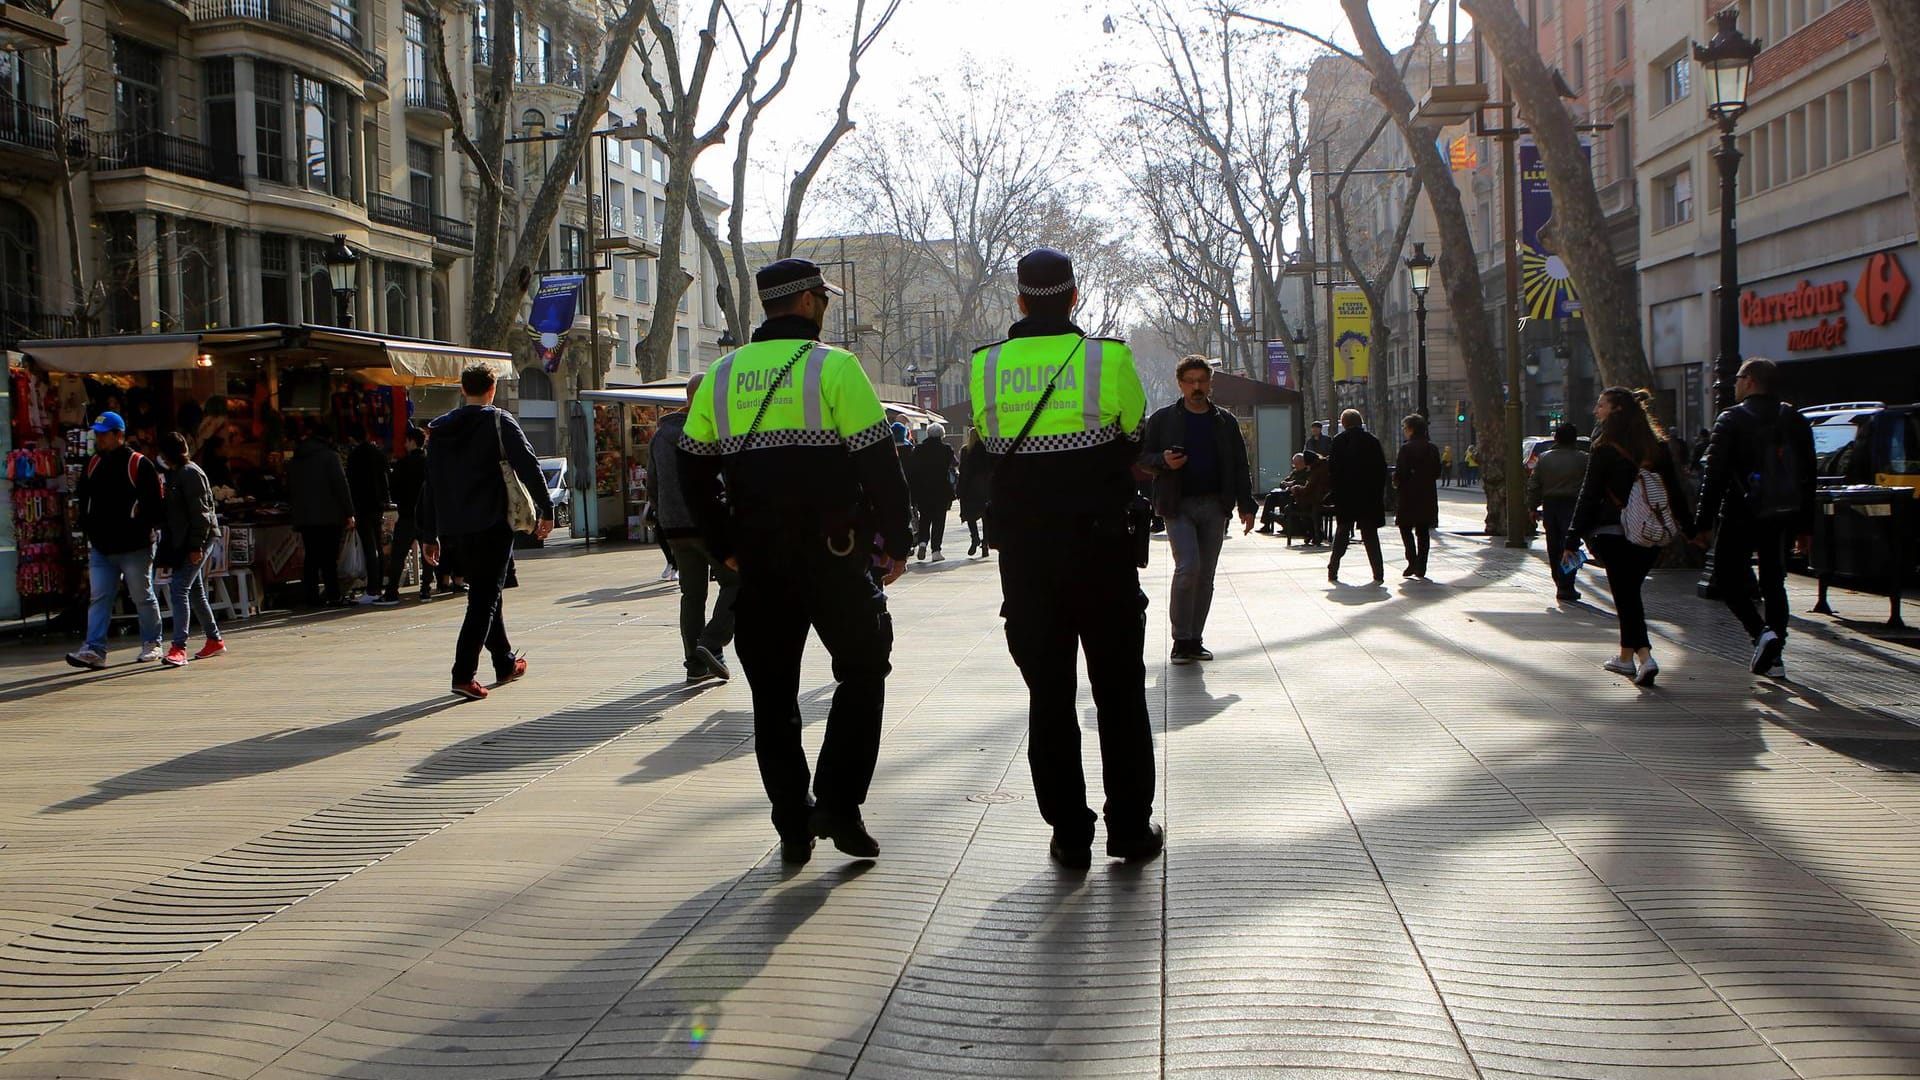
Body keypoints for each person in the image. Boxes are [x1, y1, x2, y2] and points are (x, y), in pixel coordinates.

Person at [679, 258, 912, 865]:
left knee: (773, 698)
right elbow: (878, 461)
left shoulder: (722, 375)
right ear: (809, 302)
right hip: (835, 558)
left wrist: (722, 542)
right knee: (863, 670)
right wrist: (896, 537)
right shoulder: (835, 368)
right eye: (823, 298)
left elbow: (691, 470)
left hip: (758, 563)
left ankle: (792, 825)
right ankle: (838, 802)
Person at [969, 247, 1162, 869]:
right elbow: (1133, 432)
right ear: (1074, 296)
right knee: (1120, 694)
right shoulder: (1109, 358)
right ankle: (1129, 828)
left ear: (1019, 300)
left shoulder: (987, 365)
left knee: (1048, 697)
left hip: (1026, 558)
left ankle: (1069, 833)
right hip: (1102, 550)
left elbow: (987, 437)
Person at [418, 365, 554, 701]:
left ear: (463, 390)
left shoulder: (439, 430)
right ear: (491, 389)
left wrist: (428, 533)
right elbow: (528, 464)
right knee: (482, 600)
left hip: (454, 527)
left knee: (487, 593)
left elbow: (431, 484)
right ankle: (463, 674)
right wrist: (546, 510)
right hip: (491, 522)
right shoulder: (498, 421)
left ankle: (504, 662)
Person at [1693, 357, 1817, 679]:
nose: (1733, 385)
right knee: (1775, 581)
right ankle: (1775, 657)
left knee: (1725, 577)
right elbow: (1808, 477)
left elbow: (1715, 477)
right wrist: (1806, 526)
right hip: (1782, 514)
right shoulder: (1795, 419)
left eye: (1736, 379)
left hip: (1740, 513)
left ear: (1748, 380)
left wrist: (1703, 523)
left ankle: (1761, 635)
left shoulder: (1730, 420)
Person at [1563, 387, 1696, 686]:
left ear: (1617, 410)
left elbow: (1589, 495)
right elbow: (1674, 491)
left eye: (1601, 405)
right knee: (1628, 595)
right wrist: (1690, 529)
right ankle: (1625, 658)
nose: (1596, 410)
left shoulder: (1604, 447)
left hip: (1613, 532)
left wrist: (1571, 538)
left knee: (1627, 597)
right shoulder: (1658, 448)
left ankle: (1645, 657)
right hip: (1650, 535)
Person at [1137, 355, 1256, 663]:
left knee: (1205, 576)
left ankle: (1194, 638)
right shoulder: (1164, 419)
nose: (1196, 387)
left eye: (1202, 381)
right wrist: (1163, 460)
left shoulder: (1224, 421)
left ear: (1210, 383)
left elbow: (1239, 464)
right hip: (1177, 505)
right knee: (1188, 567)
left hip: (1216, 506)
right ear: (1180, 384)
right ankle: (1180, 639)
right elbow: (1141, 458)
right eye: (1190, 381)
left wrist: (1246, 504)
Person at [649, 371, 739, 684]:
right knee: (738, 581)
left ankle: (695, 664)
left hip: (674, 526)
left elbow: (653, 483)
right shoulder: (708, 429)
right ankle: (711, 642)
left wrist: (664, 516)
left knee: (692, 594)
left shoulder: (661, 435)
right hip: (706, 522)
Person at [65, 411, 166, 670]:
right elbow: (83, 500)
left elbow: (154, 506)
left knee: (141, 595)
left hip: (135, 546)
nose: (98, 439)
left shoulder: (139, 464)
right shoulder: (92, 464)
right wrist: (90, 531)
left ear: (119, 435)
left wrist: (140, 527)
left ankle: (152, 643)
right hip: (102, 547)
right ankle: (94, 649)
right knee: (99, 598)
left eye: (103, 435)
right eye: (96, 435)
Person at [156, 432, 223, 666]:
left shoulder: (189, 473)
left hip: (198, 539)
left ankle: (179, 647)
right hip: (187, 539)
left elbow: (201, 513)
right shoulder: (176, 474)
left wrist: (196, 546)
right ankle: (214, 639)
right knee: (195, 590)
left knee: (179, 589)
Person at [287, 420, 355, 608]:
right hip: (330, 515)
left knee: (311, 557)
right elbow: (341, 485)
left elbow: (290, 487)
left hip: (305, 517)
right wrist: (349, 512)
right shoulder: (330, 456)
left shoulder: (297, 457)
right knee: (329, 558)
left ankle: (311, 596)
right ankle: (333, 595)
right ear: (329, 437)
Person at [1527, 422, 1589, 602]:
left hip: (1551, 505)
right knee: (1571, 545)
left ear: (1556, 438)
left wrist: (1532, 507)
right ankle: (1567, 583)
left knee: (1553, 546)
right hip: (1574, 506)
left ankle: (1559, 581)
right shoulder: (1584, 459)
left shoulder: (1544, 458)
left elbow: (1534, 486)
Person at [1326, 409, 1388, 586]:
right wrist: (1378, 492)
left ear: (1344, 423)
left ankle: (1333, 568)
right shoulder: (1372, 441)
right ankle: (1378, 572)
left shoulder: (1339, 441)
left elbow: (1333, 471)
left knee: (1342, 532)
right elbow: (1381, 469)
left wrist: (1336, 492)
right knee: (1370, 535)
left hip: (1346, 495)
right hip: (1369, 496)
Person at [382, 426, 429, 603]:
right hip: (426, 515)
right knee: (427, 553)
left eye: (406, 441)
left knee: (399, 554)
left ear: (411, 441)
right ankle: (425, 590)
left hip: (408, 514)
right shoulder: (430, 463)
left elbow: (393, 489)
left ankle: (392, 591)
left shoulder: (403, 464)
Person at [345, 424, 391, 604]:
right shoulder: (378, 453)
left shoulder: (355, 456)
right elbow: (386, 476)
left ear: (352, 439)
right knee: (377, 545)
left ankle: (373, 588)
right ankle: (377, 585)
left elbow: (350, 482)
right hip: (377, 505)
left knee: (369, 547)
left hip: (362, 505)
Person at [1394, 413, 1443, 579]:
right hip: (1427, 494)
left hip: (1408, 494)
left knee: (1405, 527)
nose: (1404, 431)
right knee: (1423, 531)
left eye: (1405, 428)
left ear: (1411, 429)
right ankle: (1421, 564)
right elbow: (1437, 472)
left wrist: (1398, 482)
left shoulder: (1406, 448)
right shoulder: (1432, 448)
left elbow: (1400, 472)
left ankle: (1412, 560)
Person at [905, 423, 958, 562]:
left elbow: (913, 469)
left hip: (923, 490)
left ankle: (922, 542)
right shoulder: (946, 449)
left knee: (925, 517)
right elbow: (955, 463)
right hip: (941, 489)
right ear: (942, 435)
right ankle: (936, 550)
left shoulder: (919, 449)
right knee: (939, 520)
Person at [957, 427, 993, 557]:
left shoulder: (965, 451)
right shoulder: (987, 449)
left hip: (970, 489)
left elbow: (963, 471)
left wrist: (960, 489)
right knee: (986, 518)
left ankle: (975, 538)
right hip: (985, 488)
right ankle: (985, 543)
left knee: (970, 515)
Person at [1258, 453, 1310, 534]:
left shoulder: (1307, 472)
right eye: (1294, 464)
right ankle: (1266, 524)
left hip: (1295, 496)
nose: (1295, 466)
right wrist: (1285, 483)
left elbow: (1305, 484)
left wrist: (1293, 483)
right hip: (1286, 492)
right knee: (1270, 497)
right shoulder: (1294, 472)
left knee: (1284, 498)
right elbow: (1283, 482)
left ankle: (1286, 525)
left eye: (1297, 464)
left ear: (1303, 463)